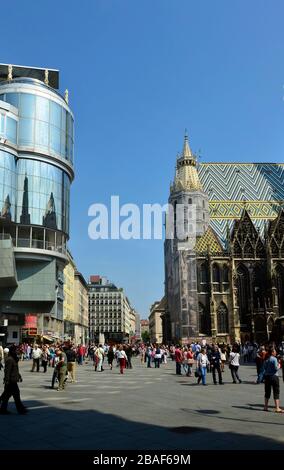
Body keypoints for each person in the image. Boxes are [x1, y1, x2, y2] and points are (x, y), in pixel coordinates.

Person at [0, 345, 27, 414]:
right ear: (13, 351)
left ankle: (3, 409)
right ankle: (21, 409)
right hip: (10, 381)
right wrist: (6, 381)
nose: (17, 351)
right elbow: (7, 371)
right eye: (16, 350)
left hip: (13, 380)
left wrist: (19, 376)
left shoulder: (14, 358)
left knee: (6, 396)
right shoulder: (9, 359)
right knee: (15, 395)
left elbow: (15, 370)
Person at [263, 346, 283, 413]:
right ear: (272, 352)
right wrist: (279, 364)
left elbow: (264, 368)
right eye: (274, 351)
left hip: (267, 377)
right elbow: (276, 368)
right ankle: (277, 408)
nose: (276, 352)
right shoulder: (274, 359)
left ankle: (265, 407)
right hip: (274, 376)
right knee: (276, 392)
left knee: (267, 392)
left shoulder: (267, 358)